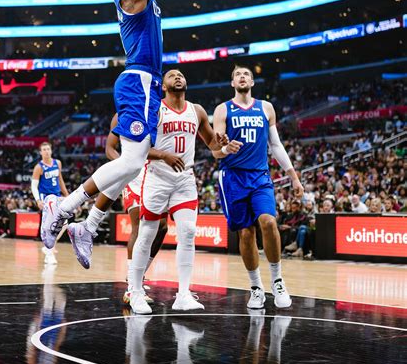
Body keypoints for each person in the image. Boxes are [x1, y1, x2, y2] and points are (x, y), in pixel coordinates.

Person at [41, 0, 180, 270]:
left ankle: (88, 225)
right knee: (132, 162)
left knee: (133, 163)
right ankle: (62, 210)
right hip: (138, 82)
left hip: (147, 85)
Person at [129, 69, 234, 314]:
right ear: (163, 86)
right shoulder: (155, 108)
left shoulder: (196, 110)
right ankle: (134, 292)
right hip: (157, 176)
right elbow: (138, 149)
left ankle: (183, 294)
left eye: (181, 74)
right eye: (171, 75)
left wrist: (223, 142)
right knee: (147, 235)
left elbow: (212, 144)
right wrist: (164, 155)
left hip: (184, 178)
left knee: (187, 232)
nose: (177, 77)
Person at [212, 66, 304, 310]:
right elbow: (215, 149)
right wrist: (223, 148)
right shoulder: (222, 109)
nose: (242, 77)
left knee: (269, 222)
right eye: (237, 75)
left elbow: (275, 144)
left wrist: (293, 176)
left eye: (246, 74)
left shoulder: (266, 107)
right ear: (232, 83)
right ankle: (255, 287)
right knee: (245, 233)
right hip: (232, 177)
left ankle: (277, 280)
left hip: (260, 176)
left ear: (252, 81)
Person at [106, 114, 169, 304]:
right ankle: (131, 285)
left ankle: (138, 276)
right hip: (134, 176)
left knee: (163, 227)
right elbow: (110, 148)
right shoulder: (121, 115)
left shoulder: (158, 109)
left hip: (155, 172)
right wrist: (125, 165)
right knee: (139, 227)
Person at [32, 142, 69, 264]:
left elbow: (60, 180)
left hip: (57, 197)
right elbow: (34, 186)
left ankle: (48, 247)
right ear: (40, 152)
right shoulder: (39, 167)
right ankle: (49, 253)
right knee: (50, 226)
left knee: (64, 224)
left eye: (48, 149)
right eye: (44, 149)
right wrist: (38, 200)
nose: (47, 151)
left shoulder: (57, 163)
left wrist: (67, 195)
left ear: (51, 150)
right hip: (46, 198)